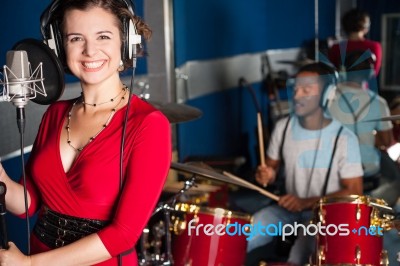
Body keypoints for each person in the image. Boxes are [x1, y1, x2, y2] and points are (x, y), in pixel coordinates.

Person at [0, 0, 172, 265]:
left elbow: (124, 235)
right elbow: (30, 202)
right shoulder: (55, 114)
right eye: (76, 38)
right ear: (59, 47)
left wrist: (29, 264)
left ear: (125, 42)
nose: (90, 50)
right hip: (38, 251)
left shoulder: (148, 124)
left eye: (103, 36)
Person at [246, 62, 363, 266]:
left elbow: (354, 191)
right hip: (286, 208)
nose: (297, 95)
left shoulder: (344, 139)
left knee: (302, 254)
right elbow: (271, 166)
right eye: (296, 88)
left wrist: (306, 201)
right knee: (243, 235)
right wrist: (267, 174)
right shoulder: (283, 127)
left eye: (306, 90)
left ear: (327, 94)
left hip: (325, 216)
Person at [328, 50, 400, 206]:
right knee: (393, 172)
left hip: (332, 171)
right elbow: (386, 141)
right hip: (366, 170)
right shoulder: (378, 102)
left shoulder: (328, 97)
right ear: (370, 73)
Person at [328, 8, 382, 76]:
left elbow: (333, 71)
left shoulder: (336, 47)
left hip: (341, 85)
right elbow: (374, 73)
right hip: (364, 86)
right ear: (366, 26)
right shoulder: (375, 46)